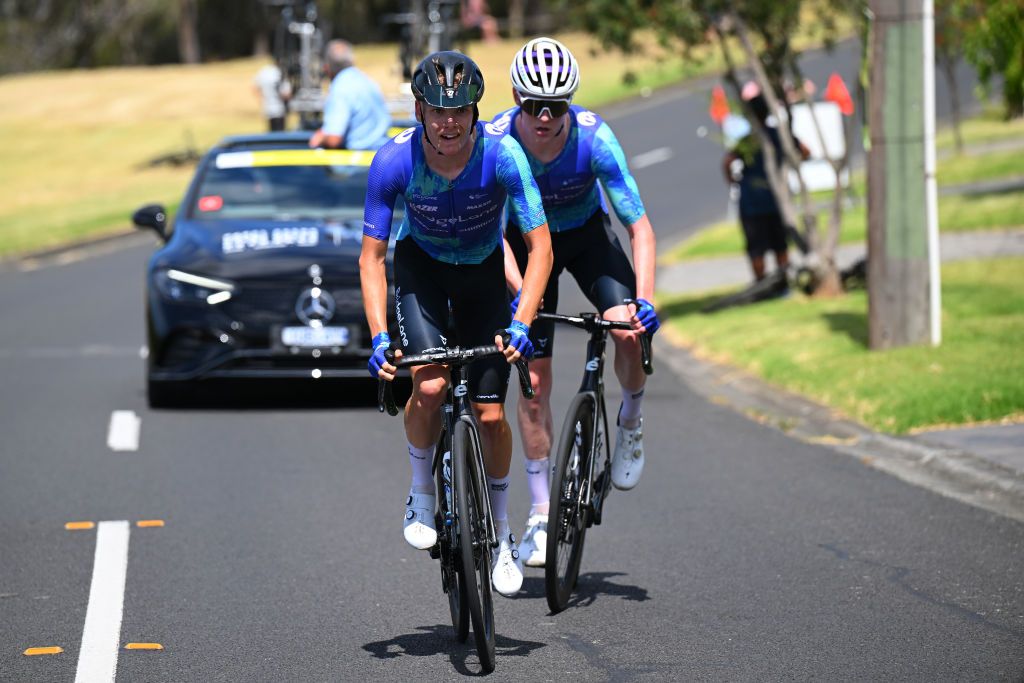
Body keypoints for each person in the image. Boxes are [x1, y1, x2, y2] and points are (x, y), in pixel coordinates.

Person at [360, 51, 553, 597]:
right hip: (421, 273)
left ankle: (502, 535)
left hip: (484, 277)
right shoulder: (394, 161)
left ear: (475, 112)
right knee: (432, 382)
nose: (449, 123)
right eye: (439, 111)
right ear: (420, 110)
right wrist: (378, 336)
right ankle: (421, 488)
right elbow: (371, 259)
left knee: (491, 416)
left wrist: (523, 320)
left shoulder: (504, 156)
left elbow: (540, 249)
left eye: (461, 110)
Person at [491, 37, 660, 568]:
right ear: (517, 98)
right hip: (521, 246)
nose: (544, 117)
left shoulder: (595, 140)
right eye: (532, 105)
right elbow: (488, 234)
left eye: (557, 106)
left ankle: (630, 421)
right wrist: (525, 297)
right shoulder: (495, 142)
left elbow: (640, 228)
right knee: (533, 382)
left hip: (588, 236)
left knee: (628, 331)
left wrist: (646, 301)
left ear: (571, 104)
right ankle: (541, 513)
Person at [722, 83, 809, 281]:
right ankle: (783, 282)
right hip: (776, 197)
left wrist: (734, 181)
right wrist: (791, 164)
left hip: (751, 201)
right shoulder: (778, 134)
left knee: (756, 247)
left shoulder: (749, 140)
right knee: (780, 243)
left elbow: (727, 162)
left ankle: (761, 284)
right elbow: (805, 151)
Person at [309, 40, 391, 150]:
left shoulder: (340, 89)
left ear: (327, 68)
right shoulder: (367, 81)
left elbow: (334, 139)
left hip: (356, 163)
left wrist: (320, 138)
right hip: (382, 156)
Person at [253, 63, 292, 132]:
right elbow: (286, 94)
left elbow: (254, 87)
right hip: (279, 110)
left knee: (271, 132)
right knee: (280, 133)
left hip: (268, 109)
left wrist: (261, 99)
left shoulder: (264, 72)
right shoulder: (280, 74)